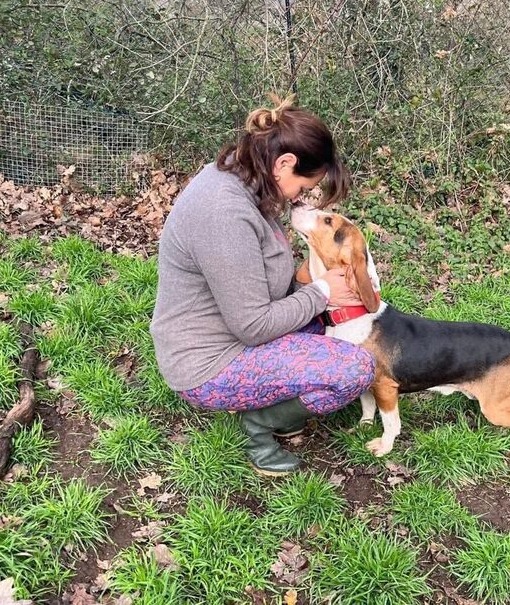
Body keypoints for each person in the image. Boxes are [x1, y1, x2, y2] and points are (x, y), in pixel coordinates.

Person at [150, 95, 376, 475]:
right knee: (355, 369)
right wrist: (322, 292)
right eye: (304, 186)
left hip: (236, 329)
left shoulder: (244, 178)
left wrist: (318, 289)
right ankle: (257, 425)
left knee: (331, 323)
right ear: (284, 164)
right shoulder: (223, 214)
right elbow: (253, 326)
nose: (301, 197)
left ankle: (282, 404)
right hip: (209, 362)